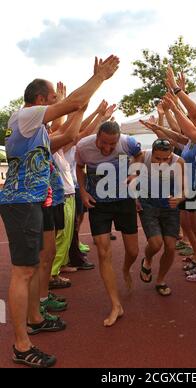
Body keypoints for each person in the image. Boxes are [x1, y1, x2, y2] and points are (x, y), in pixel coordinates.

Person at [0, 55, 120, 368]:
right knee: (23, 271)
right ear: (40, 100)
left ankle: (36, 318)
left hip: (32, 200)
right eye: (54, 97)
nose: (58, 101)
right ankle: (21, 346)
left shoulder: (34, 131)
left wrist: (79, 108)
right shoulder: (26, 116)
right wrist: (99, 79)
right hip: (22, 201)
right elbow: (75, 102)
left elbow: (68, 137)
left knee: (37, 262)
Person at [76, 121, 142, 327]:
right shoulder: (83, 147)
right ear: (97, 136)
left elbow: (139, 156)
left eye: (112, 145)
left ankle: (125, 270)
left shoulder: (129, 143)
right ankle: (116, 305)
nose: (107, 148)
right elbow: (79, 168)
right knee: (104, 253)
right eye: (103, 143)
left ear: (119, 140)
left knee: (133, 251)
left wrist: (135, 172)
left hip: (124, 201)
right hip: (99, 204)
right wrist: (83, 191)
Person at [135, 138, 185, 296]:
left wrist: (180, 198)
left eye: (166, 159)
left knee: (170, 246)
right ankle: (147, 260)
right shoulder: (143, 157)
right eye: (158, 159)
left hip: (169, 205)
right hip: (148, 203)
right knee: (156, 244)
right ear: (152, 153)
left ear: (171, 155)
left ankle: (161, 280)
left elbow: (185, 189)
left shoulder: (179, 162)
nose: (162, 163)